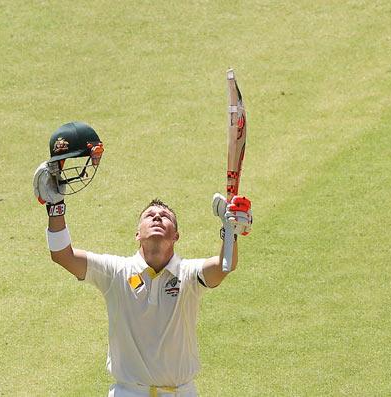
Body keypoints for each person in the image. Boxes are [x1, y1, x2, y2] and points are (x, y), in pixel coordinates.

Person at [33, 122, 253, 397]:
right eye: (150, 215)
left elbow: (225, 266)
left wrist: (230, 233)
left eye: (165, 217)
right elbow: (63, 256)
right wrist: (55, 209)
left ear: (176, 236)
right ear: (137, 234)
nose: (158, 217)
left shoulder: (188, 275)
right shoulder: (115, 272)